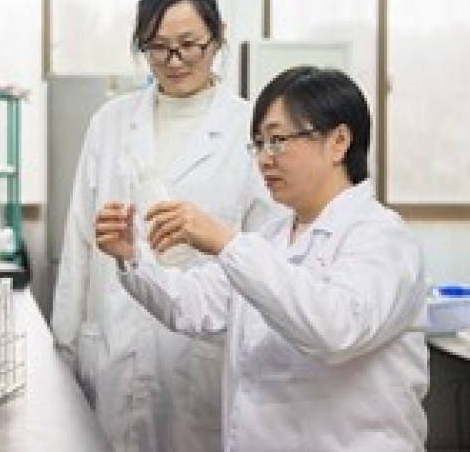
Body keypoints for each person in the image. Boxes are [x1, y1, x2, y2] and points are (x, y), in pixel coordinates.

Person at [96, 66, 429, 451]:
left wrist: (227, 242)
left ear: (338, 141)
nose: (264, 159)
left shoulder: (383, 237)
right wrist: (133, 258)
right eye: (258, 144)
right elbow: (194, 305)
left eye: (278, 140)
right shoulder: (273, 238)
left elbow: (335, 329)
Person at [51, 0, 279, 452]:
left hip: (201, 359)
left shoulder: (249, 130)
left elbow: (267, 258)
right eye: (157, 48)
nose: (174, 62)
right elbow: (78, 244)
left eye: (189, 45)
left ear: (218, 37)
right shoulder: (110, 123)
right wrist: (64, 350)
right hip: (114, 345)